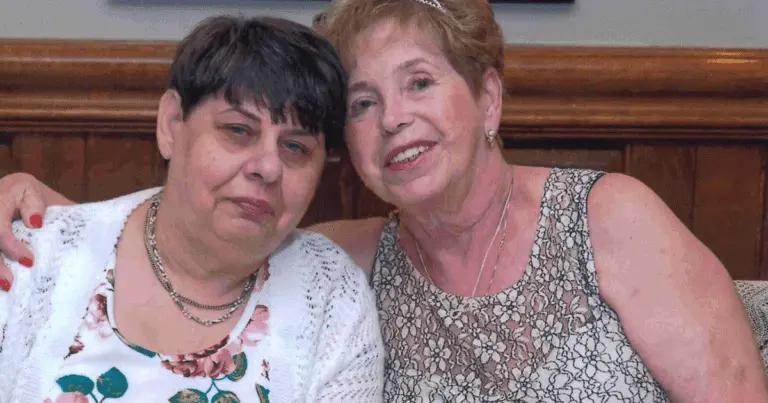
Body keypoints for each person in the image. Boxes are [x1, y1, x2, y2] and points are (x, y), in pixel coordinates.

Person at [0, 0, 766, 402]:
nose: (394, 118)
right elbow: (204, 237)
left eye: (420, 83)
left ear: (488, 99)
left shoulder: (608, 218)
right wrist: (57, 224)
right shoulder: (351, 260)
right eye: (364, 103)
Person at [0, 15, 384, 403]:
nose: (267, 167)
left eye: (295, 147)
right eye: (238, 130)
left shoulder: (333, 301)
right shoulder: (31, 258)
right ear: (171, 124)